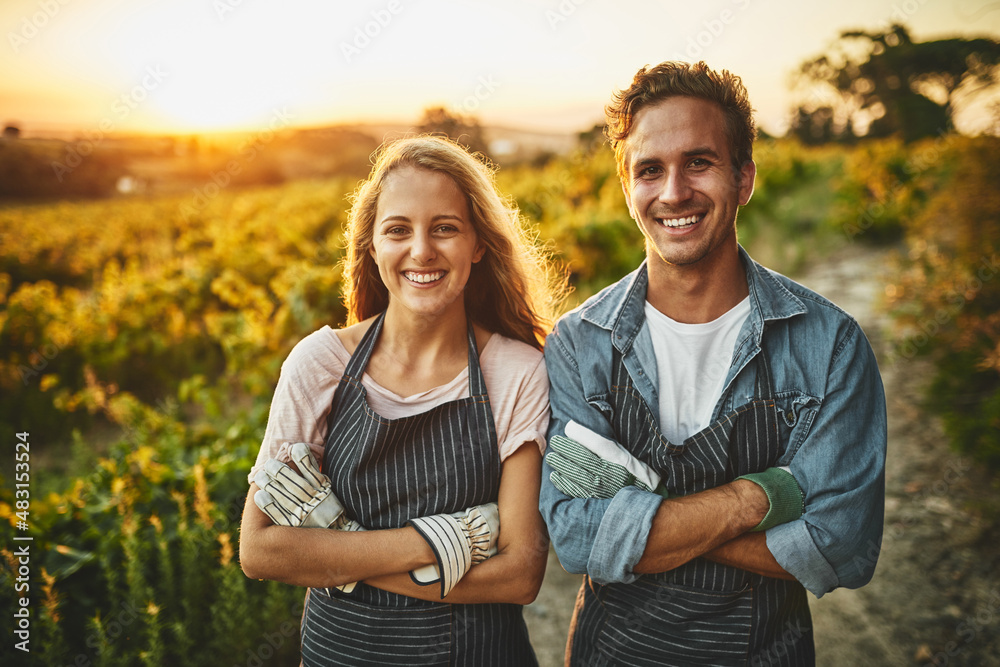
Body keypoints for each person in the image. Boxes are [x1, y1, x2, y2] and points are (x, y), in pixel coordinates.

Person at [539, 61, 887, 665]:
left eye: (698, 162)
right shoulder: (578, 343)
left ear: (744, 177)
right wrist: (753, 502)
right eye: (650, 170)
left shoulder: (828, 343)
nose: (674, 192)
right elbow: (576, 536)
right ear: (628, 189)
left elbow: (841, 546)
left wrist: (642, 517)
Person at [239, 135, 565, 666]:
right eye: (398, 230)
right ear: (371, 245)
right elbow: (260, 549)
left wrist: (338, 553)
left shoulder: (516, 372)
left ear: (478, 244)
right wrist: (452, 538)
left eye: (445, 228)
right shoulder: (318, 364)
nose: (421, 250)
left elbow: (519, 574)